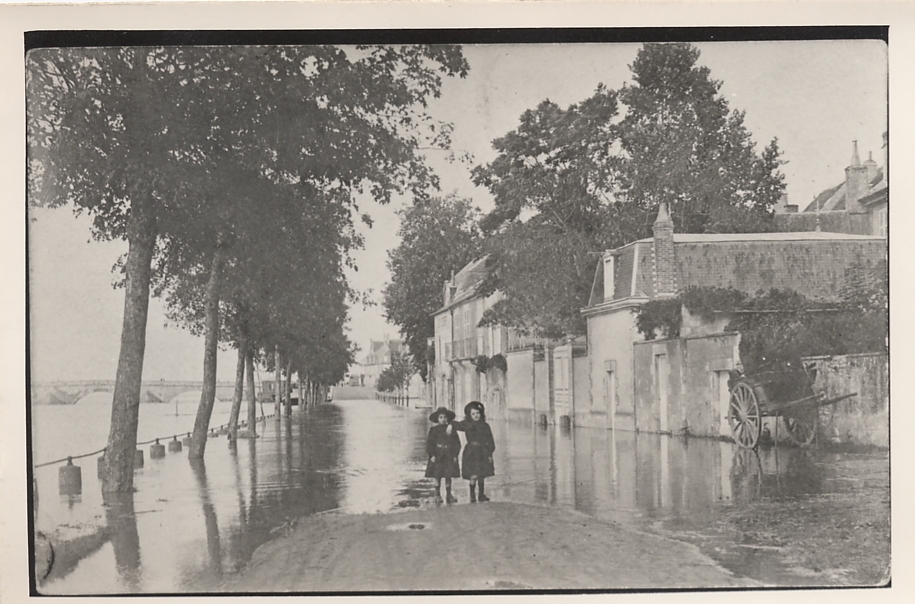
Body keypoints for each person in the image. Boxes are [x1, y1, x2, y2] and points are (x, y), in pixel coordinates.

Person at [448, 401, 495, 502]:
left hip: (483, 452)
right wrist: (450, 425)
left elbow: (490, 440)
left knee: (481, 474)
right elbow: (456, 424)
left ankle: (481, 494)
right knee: (473, 474)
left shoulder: (485, 426)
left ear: (481, 413)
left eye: (478, 413)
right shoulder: (467, 424)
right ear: (469, 415)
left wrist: (490, 454)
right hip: (471, 452)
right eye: (473, 414)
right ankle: (472, 495)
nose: (476, 415)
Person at [425, 407, 461, 504]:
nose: (443, 419)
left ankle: (448, 494)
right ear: (437, 419)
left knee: (448, 475)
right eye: (440, 417)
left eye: (445, 417)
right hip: (438, 454)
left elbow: (457, 443)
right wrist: (432, 455)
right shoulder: (433, 430)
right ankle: (437, 494)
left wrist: (455, 455)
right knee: (437, 475)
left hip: (449, 454)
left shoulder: (451, 430)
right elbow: (430, 443)